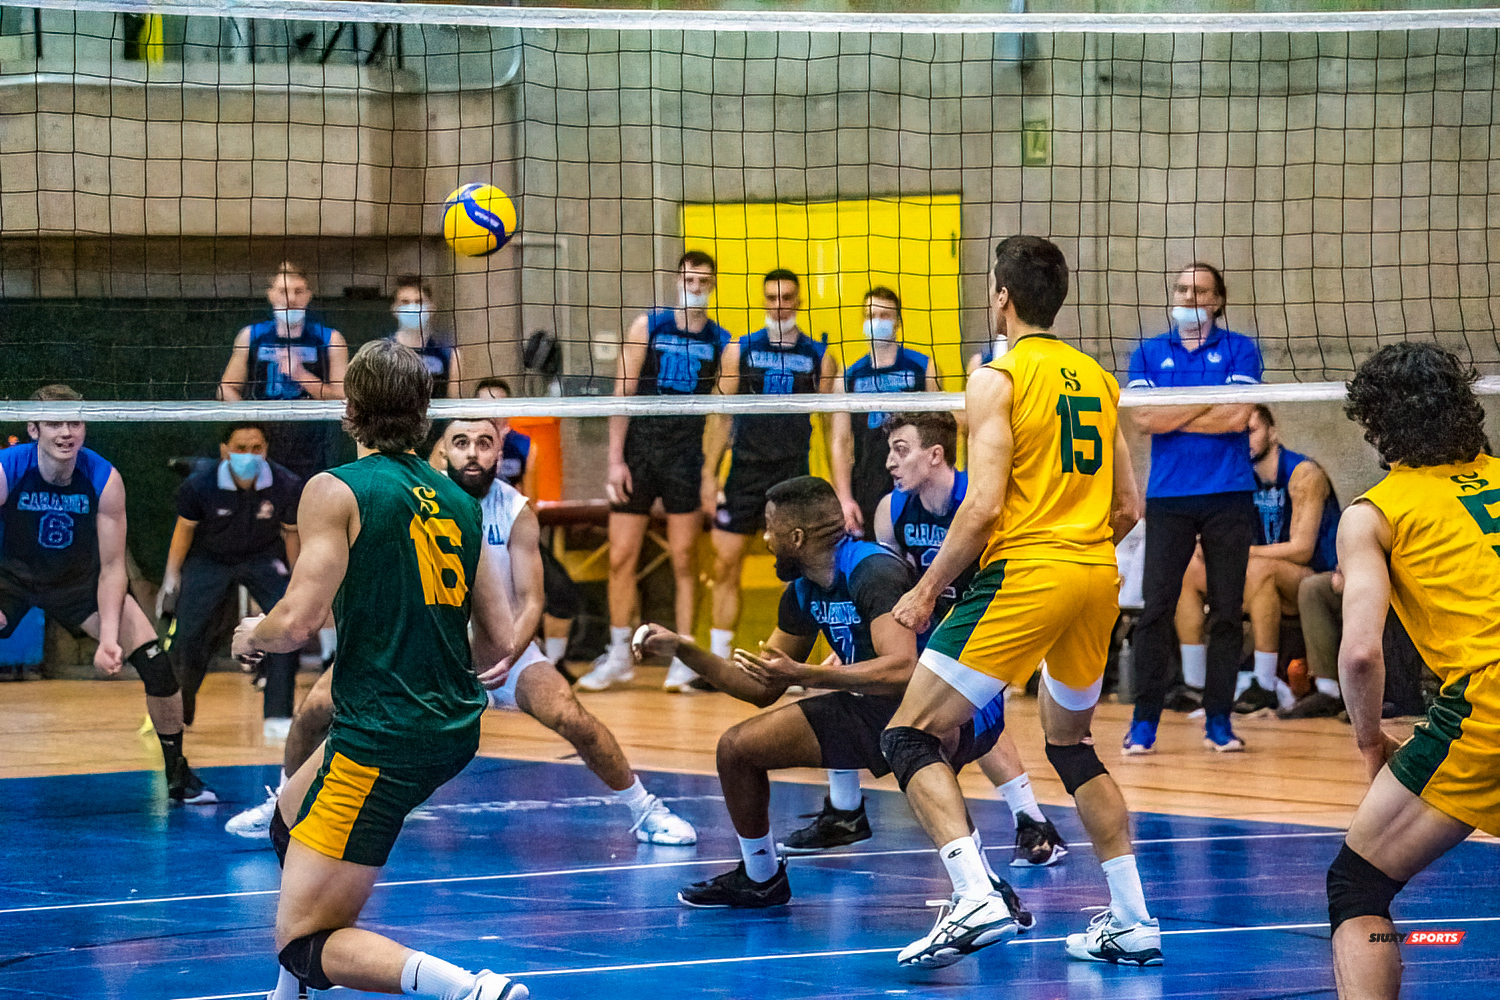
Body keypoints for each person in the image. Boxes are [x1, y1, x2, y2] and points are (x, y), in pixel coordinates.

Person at [880, 236, 1154, 969]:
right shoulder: (1096, 378)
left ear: (1000, 296)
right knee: (1070, 745)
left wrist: (925, 589)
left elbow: (983, 506)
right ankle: (1132, 921)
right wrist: (1078, 549)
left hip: (1030, 572)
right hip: (1096, 576)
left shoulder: (996, 378)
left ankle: (974, 896)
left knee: (908, 735)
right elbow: (1129, 505)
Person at [225, 418, 691, 847]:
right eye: (461, 443)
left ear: (499, 451)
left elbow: (531, 600)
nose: (473, 453)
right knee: (315, 710)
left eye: (484, 444)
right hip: (422, 648)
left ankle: (644, 808)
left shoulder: (516, 510)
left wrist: (509, 653)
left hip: (498, 650)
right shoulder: (417, 498)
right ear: (441, 451)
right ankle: (282, 804)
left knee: (573, 717)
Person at [230, 340, 527, 1000]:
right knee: (287, 819)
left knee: (304, 943)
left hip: (381, 736)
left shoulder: (335, 490)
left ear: (348, 409)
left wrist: (253, 631)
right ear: (425, 416)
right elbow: (500, 640)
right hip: (449, 726)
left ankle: (470, 990)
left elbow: (298, 623)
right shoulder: (461, 501)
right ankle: (289, 995)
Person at [637, 476, 1021, 916]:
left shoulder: (872, 571)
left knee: (921, 751)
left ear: (796, 537)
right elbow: (762, 688)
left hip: (954, 707)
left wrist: (809, 674)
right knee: (737, 749)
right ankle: (761, 878)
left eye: (770, 528)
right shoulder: (803, 589)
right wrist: (686, 649)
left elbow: (903, 668)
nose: (765, 538)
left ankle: (985, 886)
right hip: (875, 707)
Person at [1325, 343, 1500, 1000]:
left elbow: (1361, 653)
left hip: (1487, 708)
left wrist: (1370, 739)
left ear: (1375, 425)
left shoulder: (1377, 511)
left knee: (1358, 888)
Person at [863, 410, 1066, 868]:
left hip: (993, 624)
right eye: (890, 452)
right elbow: (891, 590)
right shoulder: (890, 511)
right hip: (934, 631)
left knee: (950, 726)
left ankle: (985, 851)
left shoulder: (983, 503)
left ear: (936, 455)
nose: (891, 464)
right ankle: (845, 807)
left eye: (902, 451)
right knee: (864, 686)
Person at [0, 385, 214, 804]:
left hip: (79, 582)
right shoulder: (8, 469)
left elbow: (114, 567)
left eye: (75, 422)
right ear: (32, 429)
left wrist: (111, 640)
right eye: (55, 423)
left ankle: (178, 773)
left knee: (158, 667)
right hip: (10, 578)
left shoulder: (104, 478)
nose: (66, 433)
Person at [1123, 261, 1263, 754]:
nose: (1189, 297)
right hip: (1168, 496)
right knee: (1156, 609)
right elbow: (1142, 419)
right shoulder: (1148, 351)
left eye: (1201, 291)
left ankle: (1219, 721)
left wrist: (1175, 410)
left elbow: (1239, 415)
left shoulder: (1241, 347)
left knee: (1226, 611)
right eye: (1182, 289)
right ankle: (1144, 722)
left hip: (1228, 493)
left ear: (1218, 301)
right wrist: (1208, 401)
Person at [578, 250, 731, 693]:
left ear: (714, 284)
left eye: (703, 281)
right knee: (621, 556)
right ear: (677, 280)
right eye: (689, 279)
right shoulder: (649, 326)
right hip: (640, 453)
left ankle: (684, 658)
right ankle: (620, 653)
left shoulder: (723, 340)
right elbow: (621, 393)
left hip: (685, 456)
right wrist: (614, 459)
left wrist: (710, 472)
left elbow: (723, 414)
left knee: (685, 559)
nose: (695, 287)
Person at [704, 268, 839, 664]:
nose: (779, 306)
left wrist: (833, 481)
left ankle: (795, 663)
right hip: (744, 473)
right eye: (772, 298)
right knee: (725, 564)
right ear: (763, 301)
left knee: (802, 572)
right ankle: (716, 659)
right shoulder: (739, 349)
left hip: (792, 475)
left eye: (787, 298)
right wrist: (708, 474)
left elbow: (831, 423)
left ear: (798, 301)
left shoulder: (818, 355)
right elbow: (720, 415)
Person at [1175, 404, 1340, 713]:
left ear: (1273, 433)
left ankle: (1264, 685)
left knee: (1257, 568)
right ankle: (1195, 684)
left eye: (1250, 432)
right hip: (1259, 576)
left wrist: (1235, 550)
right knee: (1189, 569)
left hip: (1315, 579)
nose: (1242, 440)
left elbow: (1302, 548)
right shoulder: (1237, 477)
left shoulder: (1303, 473)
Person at [159, 422, 302, 738]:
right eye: (240, 448)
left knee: (287, 622)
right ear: (224, 450)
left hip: (263, 557)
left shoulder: (287, 484)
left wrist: (297, 583)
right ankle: (177, 712)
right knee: (189, 633)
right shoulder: (199, 486)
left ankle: (278, 716)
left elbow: (291, 535)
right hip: (210, 558)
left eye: (256, 448)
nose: (249, 455)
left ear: (266, 450)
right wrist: (172, 577)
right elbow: (184, 532)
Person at [470, 377, 577, 668]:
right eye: (485, 403)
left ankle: (552, 662)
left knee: (562, 592)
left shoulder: (524, 445)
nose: (493, 410)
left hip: (509, 530)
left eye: (499, 403)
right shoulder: (458, 443)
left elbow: (531, 500)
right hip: (470, 531)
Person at [219, 263, 349, 482]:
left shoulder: (330, 339)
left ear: (308, 295)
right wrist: (250, 421)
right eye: (283, 291)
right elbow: (226, 388)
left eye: (298, 291)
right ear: (270, 295)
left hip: (313, 444)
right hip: (263, 444)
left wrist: (301, 375)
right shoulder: (251, 336)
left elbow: (343, 395)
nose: (290, 299)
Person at [831, 286, 939, 538]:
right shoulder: (849, 377)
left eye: (885, 315)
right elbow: (840, 441)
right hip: (868, 484)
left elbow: (939, 431)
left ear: (898, 322)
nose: (877, 322)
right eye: (871, 316)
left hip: (916, 484)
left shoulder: (922, 367)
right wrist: (845, 499)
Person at [389, 275, 463, 399]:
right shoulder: (382, 351)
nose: (412, 308)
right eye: (405, 302)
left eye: (419, 302)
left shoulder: (449, 353)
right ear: (395, 309)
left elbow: (453, 402)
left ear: (431, 307)